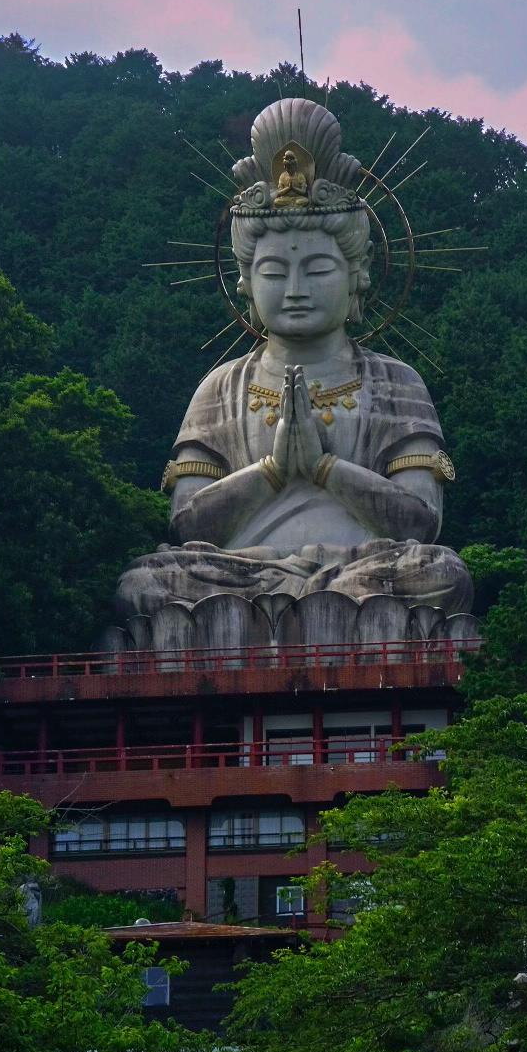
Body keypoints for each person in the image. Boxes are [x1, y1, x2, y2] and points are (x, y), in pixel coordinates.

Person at [112, 98, 471, 644]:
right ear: (245, 282)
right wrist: (275, 469)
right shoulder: (223, 386)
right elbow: (188, 525)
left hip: (364, 574)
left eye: (319, 268)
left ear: (358, 277)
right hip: (238, 578)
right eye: (275, 271)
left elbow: (421, 521)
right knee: (145, 583)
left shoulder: (395, 382)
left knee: (441, 573)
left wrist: (326, 467)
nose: (296, 289)